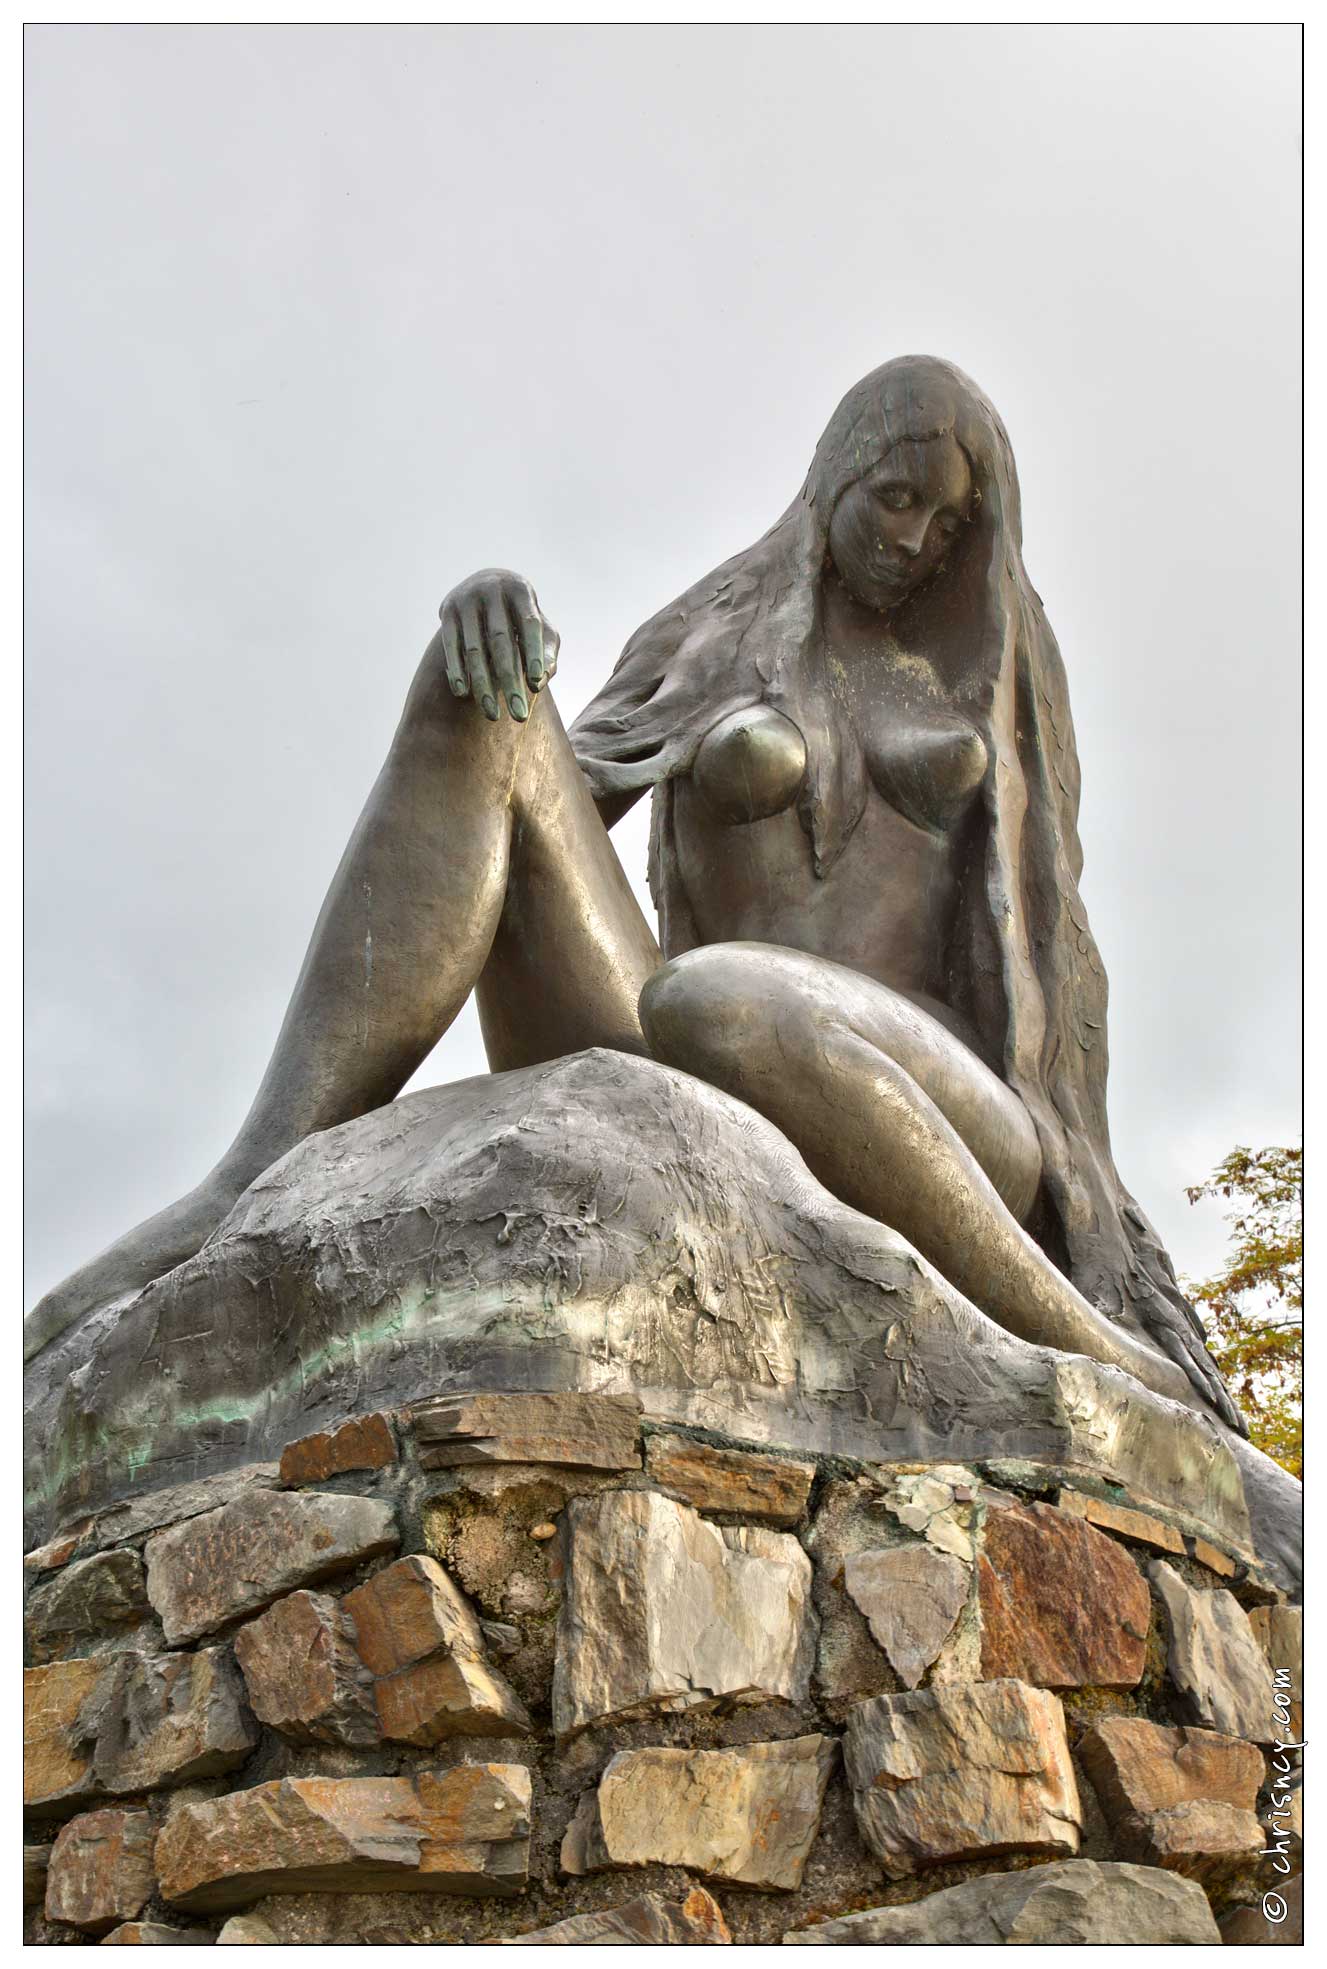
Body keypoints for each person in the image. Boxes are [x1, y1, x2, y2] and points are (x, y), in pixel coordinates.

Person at [23, 355, 1241, 1435]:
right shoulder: (709, 634)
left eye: (949, 520)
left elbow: (1040, 945)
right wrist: (488, 600)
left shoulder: (993, 676)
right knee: (486, 700)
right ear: (835, 480)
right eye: (896, 498)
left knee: (721, 994)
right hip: (697, 1040)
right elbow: (557, 786)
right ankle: (250, 1171)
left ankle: (1096, 1357)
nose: (918, 538)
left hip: (947, 1098)